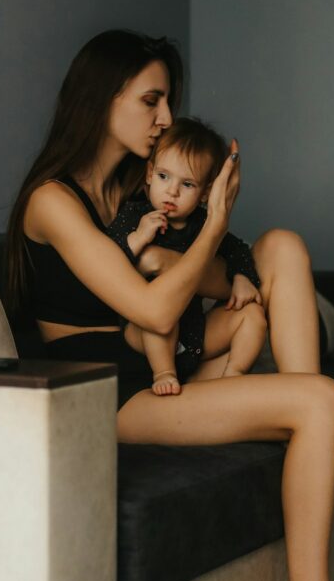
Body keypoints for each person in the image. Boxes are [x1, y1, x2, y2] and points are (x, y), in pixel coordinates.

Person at [6, 29, 334, 581]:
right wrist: (212, 224)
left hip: (167, 365)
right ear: (102, 99)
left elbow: (217, 281)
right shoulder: (53, 201)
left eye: (168, 103)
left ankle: (320, 443)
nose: (165, 120)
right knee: (323, 399)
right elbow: (156, 309)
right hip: (111, 394)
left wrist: (186, 254)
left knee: (282, 247)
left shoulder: (140, 188)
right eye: (151, 101)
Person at [107, 116, 267, 395]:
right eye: (164, 177)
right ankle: (164, 373)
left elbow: (238, 249)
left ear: (205, 193)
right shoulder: (135, 216)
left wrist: (242, 277)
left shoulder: (205, 226)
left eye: (188, 185)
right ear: (149, 174)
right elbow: (106, 263)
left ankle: (234, 374)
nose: (172, 191)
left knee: (252, 315)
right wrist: (137, 239)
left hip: (194, 332)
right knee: (160, 318)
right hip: (146, 331)